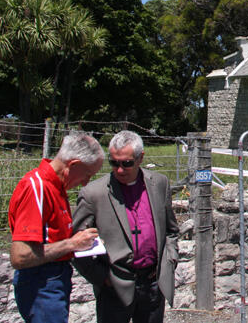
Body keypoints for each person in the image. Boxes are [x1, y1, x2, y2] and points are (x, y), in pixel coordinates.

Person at [72, 130, 179, 323]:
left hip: (153, 284)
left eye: (127, 163)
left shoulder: (159, 184)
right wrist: (101, 277)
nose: (120, 170)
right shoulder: (93, 194)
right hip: (115, 287)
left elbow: (171, 230)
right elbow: (76, 244)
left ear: (140, 158)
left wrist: (170, 260)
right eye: (114, 163)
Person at [8, 133, 105, 323]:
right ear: (73, 165)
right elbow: (20, 256)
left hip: (53, 279)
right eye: (87, 175)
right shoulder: (38, 188)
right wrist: (72, 244)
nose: (85, 183)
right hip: (41, 283)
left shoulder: (56, 187)